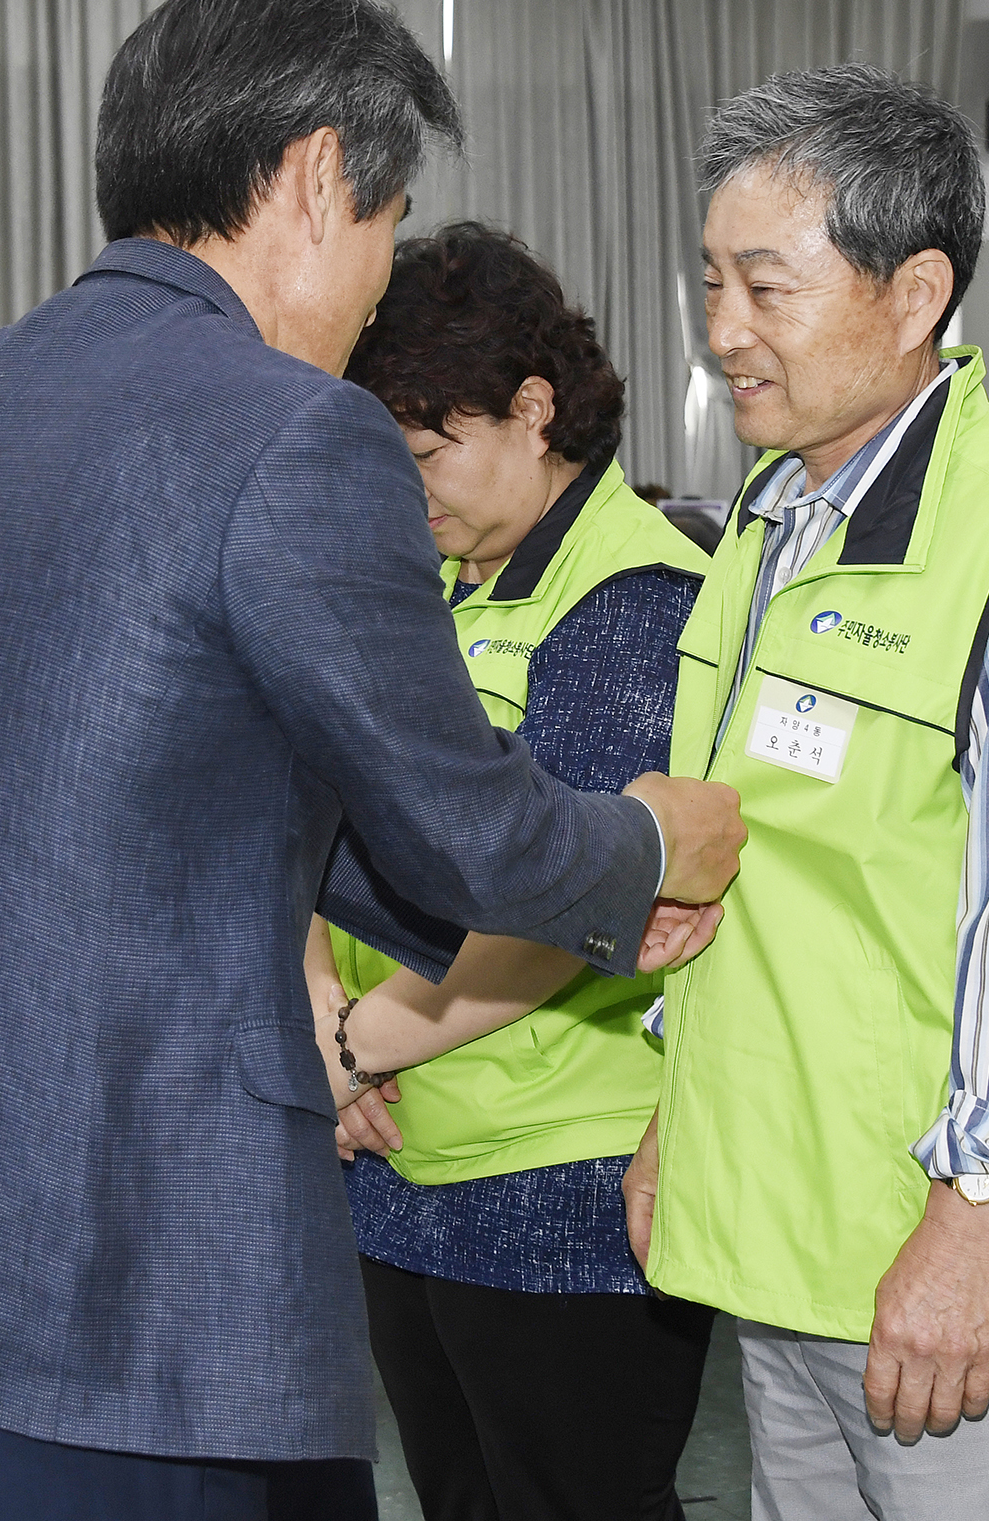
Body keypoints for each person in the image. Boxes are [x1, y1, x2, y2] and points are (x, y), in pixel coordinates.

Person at [0, 0, 743, 1520]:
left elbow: (168, 787)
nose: (378, 285)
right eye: (384, 228)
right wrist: (648, 840)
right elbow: (461, 828)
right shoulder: (289, 429)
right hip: (78, 1265)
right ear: (318, 176)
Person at [625, 65, 989, 1521]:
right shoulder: (768, 518)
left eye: (765, 286)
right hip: (783, 1230)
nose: (722, 330)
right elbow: (752, 860)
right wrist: (680, 1112)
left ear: (914, 289)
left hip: (947, 1266)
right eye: (708, 282)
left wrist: (971, 1221)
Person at [316, 222, 714, 1521]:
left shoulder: (630, 600)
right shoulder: (433, 585)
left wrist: (353, 1045)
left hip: (561, 1173)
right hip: (403, 1150)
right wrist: (323, 1022)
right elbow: (300, 811)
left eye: (429, 451)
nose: (408, 489)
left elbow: (572, 902)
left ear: (533, 408)